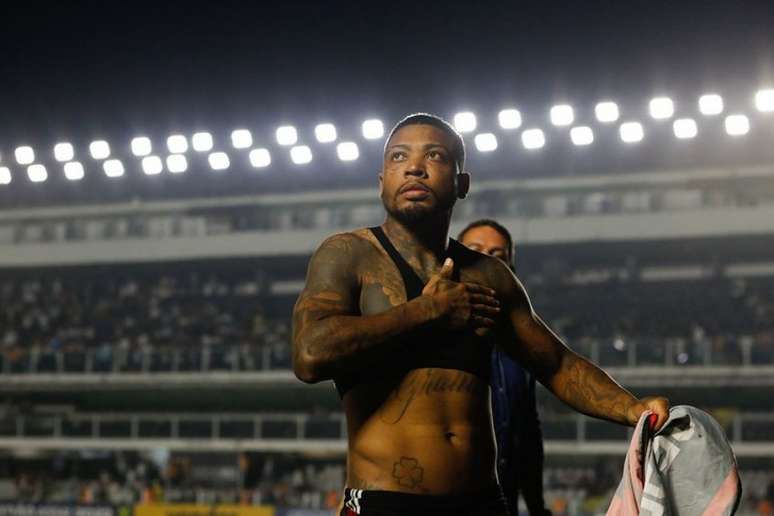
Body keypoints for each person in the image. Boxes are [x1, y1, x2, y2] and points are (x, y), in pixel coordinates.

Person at [292, 113, 669, 516]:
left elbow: (557, 364)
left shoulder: (490, 275)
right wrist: (426, 311)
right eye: (399, 157)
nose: (415, 167)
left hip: (483, 502)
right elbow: (310, 355)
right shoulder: (348, 254)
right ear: (381, 180)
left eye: (434, 156)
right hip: (386, 501)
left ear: (461, 184)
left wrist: (632, 409)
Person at [458, 219, 550, 516]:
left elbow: (528, 438)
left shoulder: (523, 346)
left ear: (511, 271)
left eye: (498, 256)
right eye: (474, 250)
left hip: (500, 504)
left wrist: (537, 507)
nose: (486, 260)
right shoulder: (425, 329)